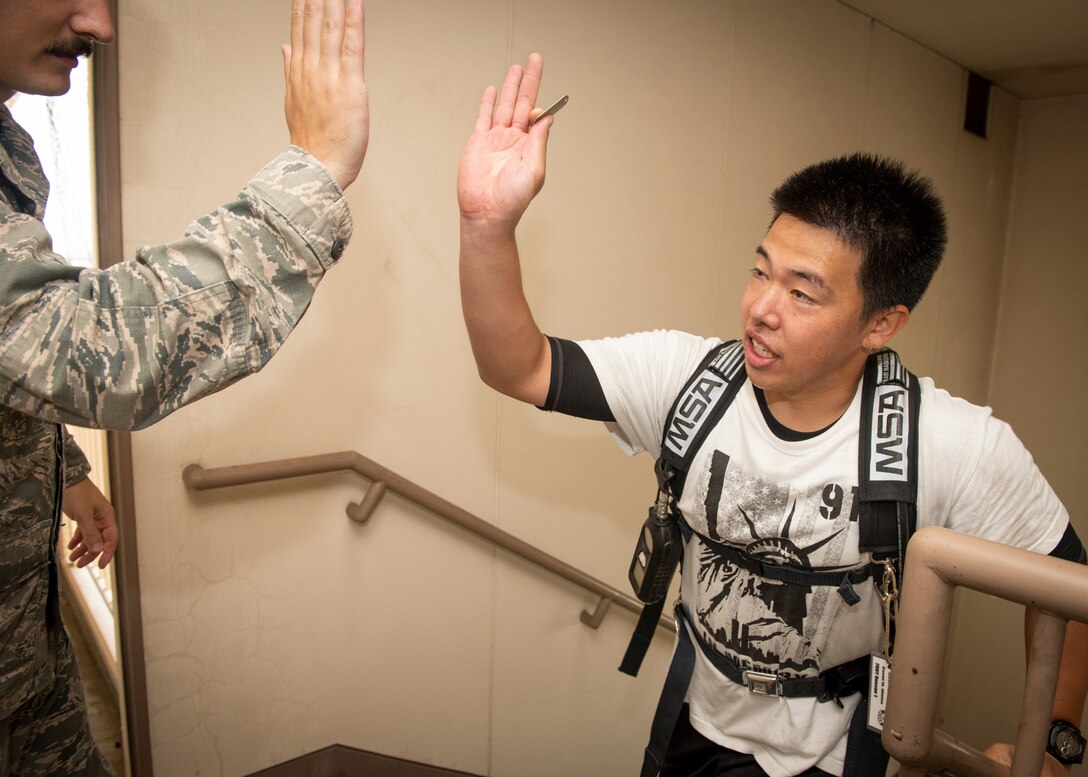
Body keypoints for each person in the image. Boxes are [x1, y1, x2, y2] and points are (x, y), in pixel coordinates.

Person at [456, 54, 1088, 777]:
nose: (760, 307)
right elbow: (520, 366)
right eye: (761, 270)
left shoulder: (949, 444)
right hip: (693, 724)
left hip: (836, 751)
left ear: (881, 324)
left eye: (803, 292)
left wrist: (1055, 738)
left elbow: (1068, 579)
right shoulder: (688, 380)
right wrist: (485, 224)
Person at [0, 0, 368, 772]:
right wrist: (315, 170)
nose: (99, 25)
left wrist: (62, 470)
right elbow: (90, 346)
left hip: (24, 658)